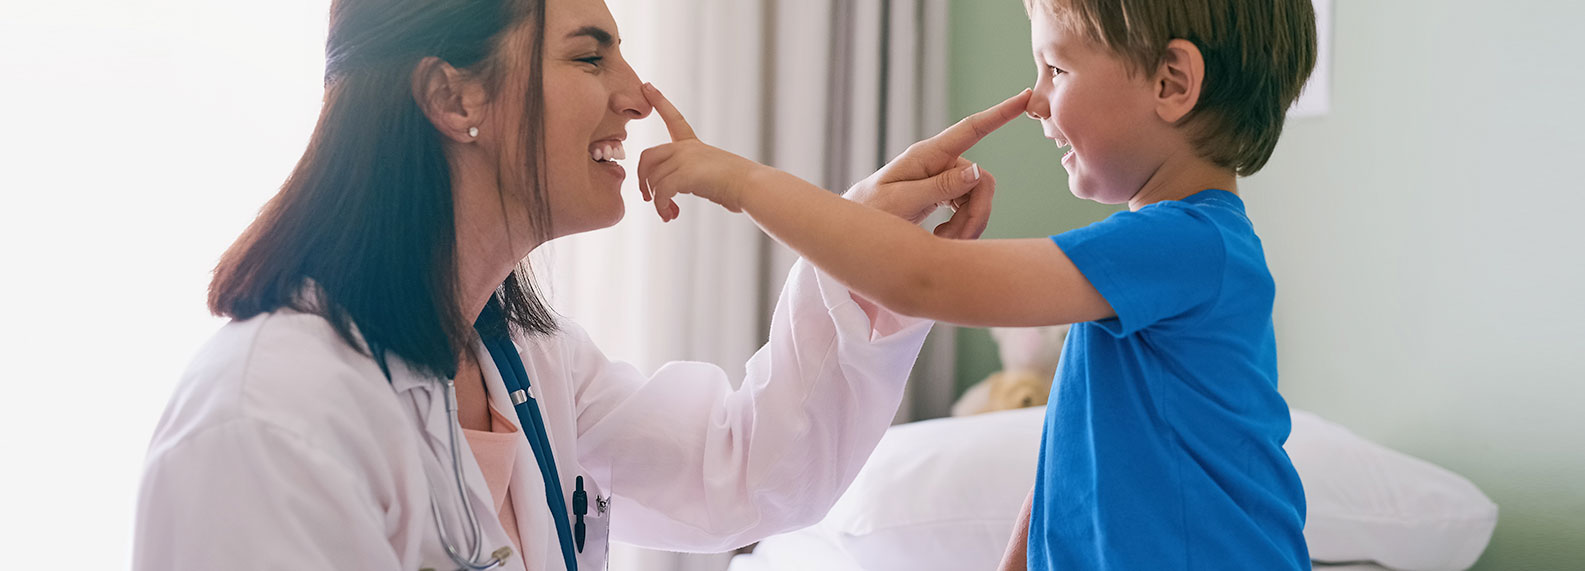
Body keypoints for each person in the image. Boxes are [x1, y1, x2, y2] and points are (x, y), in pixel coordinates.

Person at [130, 0, 1026, 568]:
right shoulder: (267, 419)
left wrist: (861, 245)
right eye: (589, 56)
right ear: (454, 98)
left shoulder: (528, 363)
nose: (638, 96)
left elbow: (743, 468)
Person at [632, 0, 1319, 568]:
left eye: (1055, 67)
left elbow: (921, 279)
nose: (1036, 101)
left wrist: (741, 181)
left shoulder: (1184, 244)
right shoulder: (1160, 254)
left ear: (1172, 83)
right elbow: (1076, 462)